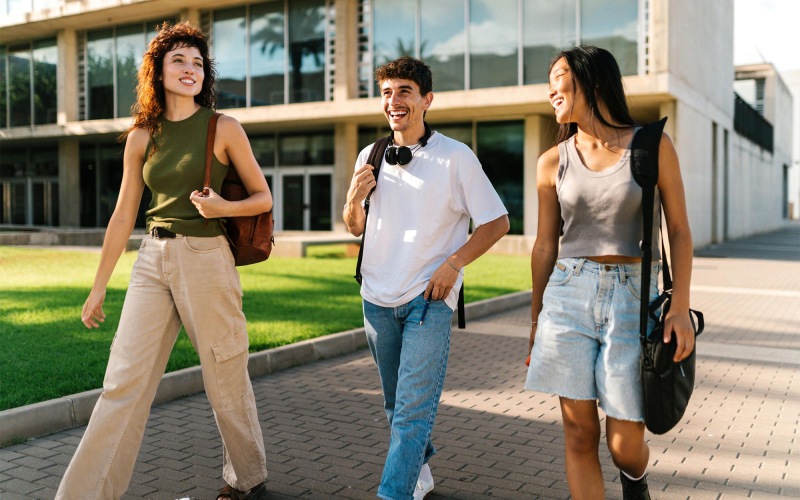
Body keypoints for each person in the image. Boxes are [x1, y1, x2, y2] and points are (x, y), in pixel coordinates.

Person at [56, 22, 272, 500]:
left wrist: (222, 208)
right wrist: (98, 287)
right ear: (157, 70)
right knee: (122, 380)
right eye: (179, 60)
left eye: (197, 62)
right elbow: (122, 214)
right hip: (151, 258)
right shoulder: (141, 136)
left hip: (206, 257)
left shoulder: (223, 128)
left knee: (224, 372)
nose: (190, 69)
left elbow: (262, 197)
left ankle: (247, 478)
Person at [525, 45, 695, 500]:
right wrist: (536, 317)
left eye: (558, 76)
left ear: (590, 80)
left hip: (632, 299)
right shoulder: (552, 161)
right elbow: (545, 245)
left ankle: (635, 482)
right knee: (580, 433)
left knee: (624, 445)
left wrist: (679, 309)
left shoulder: (652, 144)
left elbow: (678, 230)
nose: (550, 90)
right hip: (567, 296)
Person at [343, 56, 509, 500]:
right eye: (386, 93)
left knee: (413, 411)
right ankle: (417, 467)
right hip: (376, 297)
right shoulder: (370, 154)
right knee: (397, 405)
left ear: (426, 100)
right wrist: (355, 197)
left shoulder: (456, 157)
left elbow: (496, 222)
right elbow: (353, 226)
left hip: (427, 301)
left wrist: (454, 264)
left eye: (404, 92)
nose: (393, 101)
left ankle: (393, 492)